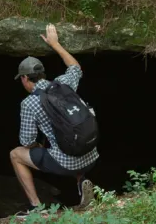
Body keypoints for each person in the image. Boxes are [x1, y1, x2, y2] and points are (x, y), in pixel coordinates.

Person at [9, 24, 98, 211]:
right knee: (68, 138)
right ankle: (82, 181)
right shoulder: (63, 85)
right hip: (91, 153)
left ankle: (35, 207)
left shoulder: (29, 103)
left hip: (66, 162)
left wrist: (39, 146)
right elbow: (75, 67)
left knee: (16, 155)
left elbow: (26, 141)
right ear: (42, 74)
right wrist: (55, 44)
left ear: (25, 79)